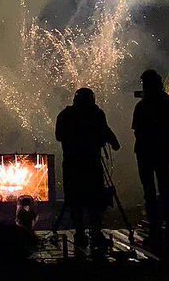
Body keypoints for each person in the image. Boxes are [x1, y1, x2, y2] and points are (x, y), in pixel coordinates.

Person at [55, 87, 120, 249]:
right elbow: (106, 132)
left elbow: (59, 136)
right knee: (95, 200)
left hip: (72, 165)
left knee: (75, 199)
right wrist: (112, 143)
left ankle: (80, 234)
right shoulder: (96, 114)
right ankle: (95, 234)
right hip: (92, 165)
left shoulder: (65, 115)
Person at [132, 69, 169, 240]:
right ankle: (168, 224)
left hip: (146, 151)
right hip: (160, 150)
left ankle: (156, 225)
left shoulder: (143, 105)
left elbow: (136, 130)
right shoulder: (165, 101)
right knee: (163, 187)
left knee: (151, 190)